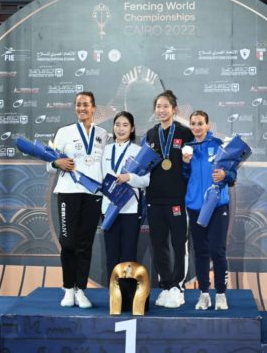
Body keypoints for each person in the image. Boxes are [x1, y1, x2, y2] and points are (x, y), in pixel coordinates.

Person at [47, 91, 109, 308]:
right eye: (78, 104)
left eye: (86, 104)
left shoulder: (103, 134)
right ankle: (67, 288)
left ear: (93, 108)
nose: (82, 108)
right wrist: (57, 163)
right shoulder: (64, 132)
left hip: (93, 195)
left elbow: (105, 165)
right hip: (68, 193)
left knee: (85, 244)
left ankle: (80, 289)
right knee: (68, 243)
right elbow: (49, 164)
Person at [144, 90, 193, 308]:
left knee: (179, 243)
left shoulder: (185, 133)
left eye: (166, 106)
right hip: (154, 198)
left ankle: (177, 287)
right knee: (158, 244)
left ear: (174, 109)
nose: (161, 110)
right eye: (158, 106)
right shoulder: (150, 134)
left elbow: (191, 166)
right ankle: (165, 285)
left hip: (177, 198)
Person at [182, 110, 236, 310]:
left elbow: (232, 174)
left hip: (217, 205)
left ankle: (221, 294)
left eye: (200, 123)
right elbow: (184, 177)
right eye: (193, 124)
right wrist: (185, 164)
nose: (196, 127)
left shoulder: (219, 145)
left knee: (217, 251)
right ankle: (204, 294)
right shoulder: (187, 149)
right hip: (195, 206)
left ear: (207, 126)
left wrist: (225, 175)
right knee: (201, 252)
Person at [101, 111, 150, 279]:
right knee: (111, 253)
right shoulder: (105, 150)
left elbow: (147, 180)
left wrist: (130, 177)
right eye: (117, 125)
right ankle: (114, 292)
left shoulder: (139, 151)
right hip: (109, 208)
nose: (121, 129)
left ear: (132, 128)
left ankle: (128, 292)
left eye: (125, 125)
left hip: (130, 209)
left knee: (129, 253)